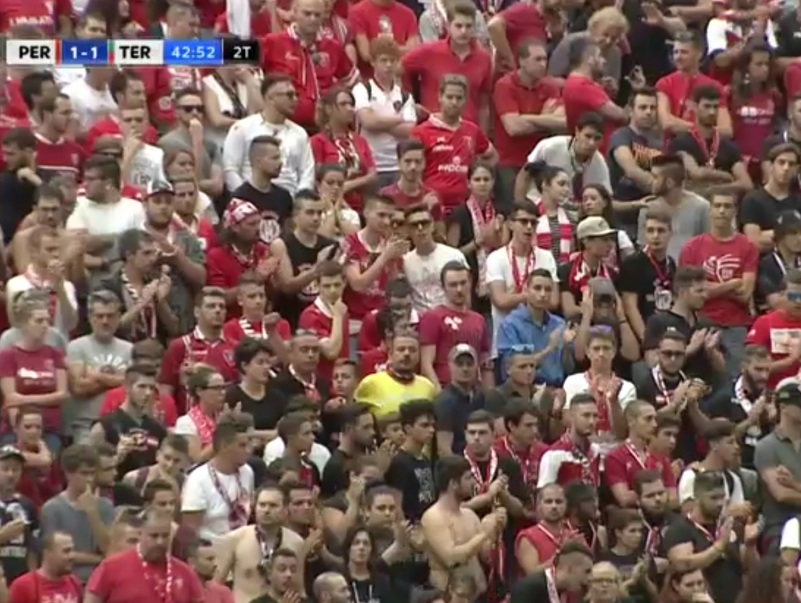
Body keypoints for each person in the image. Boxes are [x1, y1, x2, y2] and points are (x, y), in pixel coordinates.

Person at [663, 470, 754, 603]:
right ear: (697, 497)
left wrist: (751, 545)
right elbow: (683, 564)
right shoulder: (680, 529)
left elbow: (748, 567)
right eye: (713, 498)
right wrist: (719, 546)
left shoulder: (729, 525)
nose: (720, 503)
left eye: (722, 497)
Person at [421, 455, 507, 594]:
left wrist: (495, 530)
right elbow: (451, 559)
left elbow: (485, 556)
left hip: (479, 594)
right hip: (449, 596)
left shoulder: (469, 515)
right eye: (468, 478)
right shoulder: (433, 517)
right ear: (453, 484)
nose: (473, 482)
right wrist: (484, 533)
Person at [84, 508, 204, 603]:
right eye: (154, 536)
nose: (160, 542)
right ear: (141, 534)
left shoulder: (185, 572)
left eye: (165, 536)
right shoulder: (111, 568)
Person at [214, 483, 305, 603]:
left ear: (285, 510)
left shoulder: (296, 542)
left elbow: (299, 587)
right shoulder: (234, 539)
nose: (266, 510)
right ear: (254, 507)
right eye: (262, 505)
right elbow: (215, 586)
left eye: (273, 505)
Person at [40, 444, 115, 584]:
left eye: (92, 473)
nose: (89, 479)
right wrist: (98, 559)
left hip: (102, 581)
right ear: (68, 474)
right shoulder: (52, 509)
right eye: (84, 473)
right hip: (67, 581)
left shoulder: (105, 506)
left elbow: (109, 549)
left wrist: (92, 513)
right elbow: (55, 553)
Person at [65, 290, 132, 443]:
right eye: (99, 316)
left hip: (121, 424)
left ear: (118, 317)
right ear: (90, 317)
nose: (105, 321)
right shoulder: (76, 347)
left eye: (110, 316)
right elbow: (79, 388)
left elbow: (132, 386)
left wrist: (96, 376)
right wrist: (118, 380)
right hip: (86, 425)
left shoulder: (129, 349)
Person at [180, 412, 255, 542]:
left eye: (250, 444)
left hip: (241, 543)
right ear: (224, 446)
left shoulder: (247, 472)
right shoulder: (198, 479)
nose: (249, 450)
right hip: (210, 546)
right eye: (242, 445)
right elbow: (191, 530)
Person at [8, 531, 83, 603]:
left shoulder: (74, 583)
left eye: (72, 550)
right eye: (66, 551)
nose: (72, 556)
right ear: (48, 553)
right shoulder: (23, 586)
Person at [509, 540, 594, 603]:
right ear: (570, 569)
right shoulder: (529, 588)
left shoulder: (568, 593)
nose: (589, 578)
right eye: (587, 571)